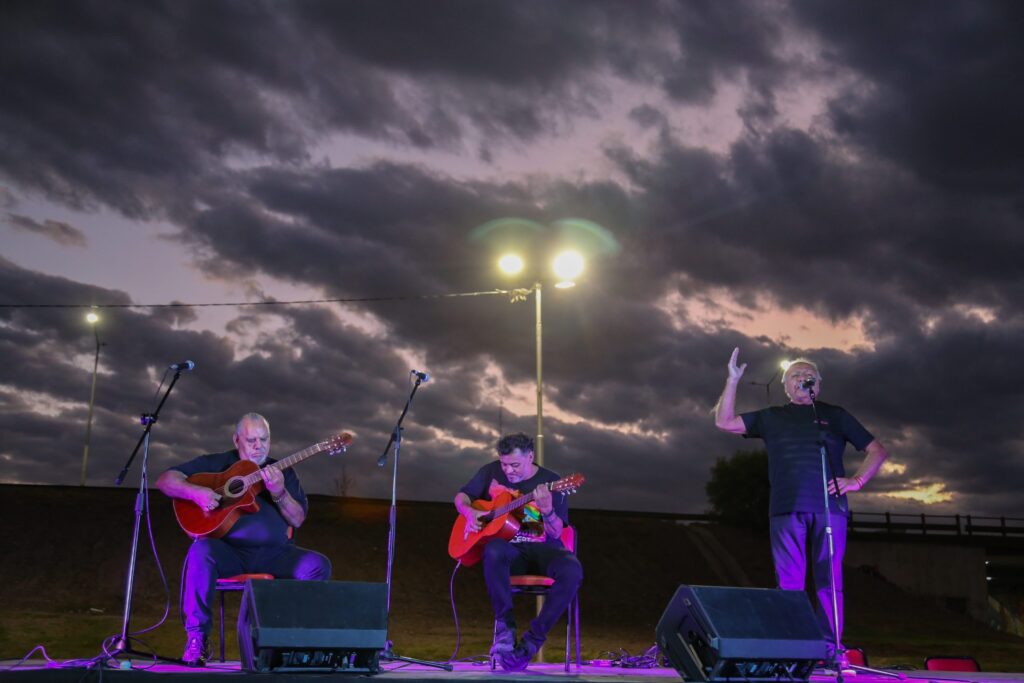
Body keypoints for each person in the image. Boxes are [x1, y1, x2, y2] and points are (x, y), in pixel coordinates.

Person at [713, 349, 888, 670]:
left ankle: (831, 650)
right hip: (786, 508)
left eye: (809, 375)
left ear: (818, 384)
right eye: (795, 375)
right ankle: (791, 647)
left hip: (830, 508)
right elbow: (724, 422)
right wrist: (732, 381)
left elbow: (876, 450)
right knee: (789, 583)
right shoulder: (772, 416)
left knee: (829, 580)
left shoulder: (835, 415)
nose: (803, 378)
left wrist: (857, 481)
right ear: (785, 386)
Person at [156, 413, 332, 666]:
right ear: (237, 440)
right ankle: (197, 640)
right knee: (200, 551)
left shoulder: (282, 471)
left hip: (275, 555)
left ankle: (296, 642)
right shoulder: (216, 464)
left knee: (317, 565)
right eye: (251, 440)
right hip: (230, 554)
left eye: (264, 439)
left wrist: (280, 492)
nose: (259, 446)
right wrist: (196, 493)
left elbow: (297, 519)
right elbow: (165, 480)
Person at [454, 432, 582, 672]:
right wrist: (470, 513)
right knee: (493, 549)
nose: (508, 471)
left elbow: (556, 532)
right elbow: (461, 497)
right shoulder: (491, 471)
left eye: (515, 465)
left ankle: (531, 643)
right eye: (504, 464)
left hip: (544, 550)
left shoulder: (551, 481)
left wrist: (547, 510)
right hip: (511, 551)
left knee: (572, 570)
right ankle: (505, 628)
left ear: (530, 456)